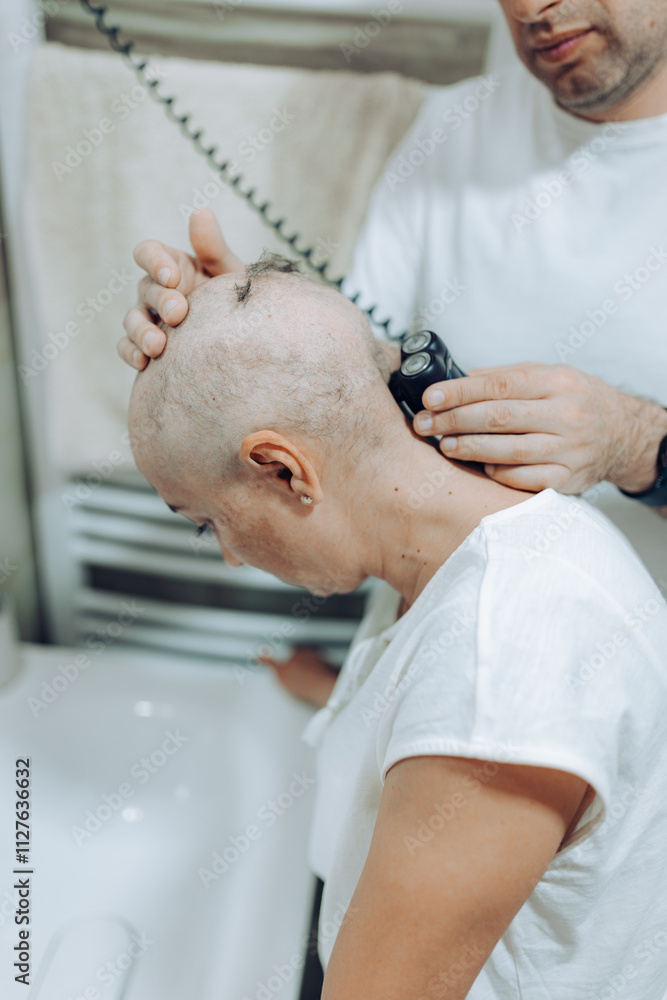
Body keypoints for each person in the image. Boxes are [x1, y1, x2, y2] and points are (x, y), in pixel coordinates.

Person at [127, 255, 667, 999]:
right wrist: (335, 695)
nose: (228, 554)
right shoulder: (448, 545)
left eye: (207, 522)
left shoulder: (505, 655)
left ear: (284, 470)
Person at [118, 0, 667, 582]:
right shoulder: (456, 127)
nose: (530, 8)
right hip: (433, 611)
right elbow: (353, 395)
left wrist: (636, 446)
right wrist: (242, 344)